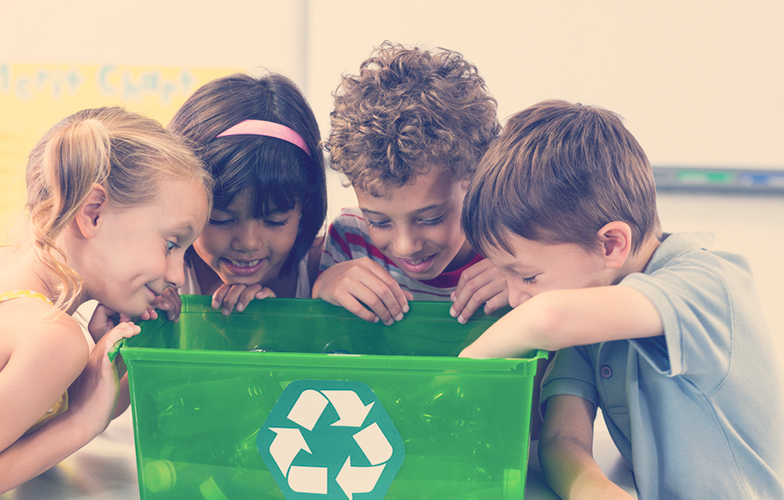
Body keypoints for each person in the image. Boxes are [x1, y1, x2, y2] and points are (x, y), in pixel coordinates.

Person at [459, 100, 784, 498]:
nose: (514, 297)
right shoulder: (590, 311)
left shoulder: (707, 284)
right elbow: (561, 438)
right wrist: (595, 491)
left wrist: (458, 374)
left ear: (612, 244)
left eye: (526, 276)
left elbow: (548, 318)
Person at [0, 106, 211, 497]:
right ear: (93, 213)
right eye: (172, 244)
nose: (177, 274)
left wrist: (101, 380)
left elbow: (14, 426)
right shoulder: (53, 338)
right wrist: (82, 421)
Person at [314, 41, 507, 326]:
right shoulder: (351, 239)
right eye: (378, 222)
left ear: (477, 178)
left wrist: (526, 280)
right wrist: (321, 289)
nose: (406, 247)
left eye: (431, 218)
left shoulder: (515, 246)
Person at [164, 72, 327, 316]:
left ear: (306, 207)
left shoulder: (324, 268)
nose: (249, 242)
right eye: (221, 219)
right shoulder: (162, 281)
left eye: (275, 221)